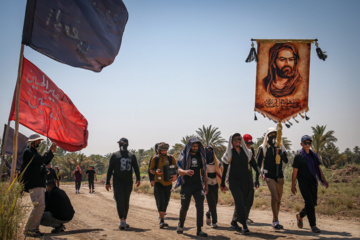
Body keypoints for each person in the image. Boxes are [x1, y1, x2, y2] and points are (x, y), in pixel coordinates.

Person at [221, 133, 263, 235]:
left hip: (245, 181)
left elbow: (254, 164)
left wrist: (260, 173)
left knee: (244, 202)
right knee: (239, 202)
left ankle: (234, 222)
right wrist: (222, 184)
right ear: (231, 141)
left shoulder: (247, 152)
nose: (237, 141)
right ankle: (244, 225)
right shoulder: (228, 154)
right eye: (235, 139)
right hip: (234, 182)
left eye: (239, 139)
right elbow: (225, 170)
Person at [21, 134, 57, 237]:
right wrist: (50, 152)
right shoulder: (28, 152)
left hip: (39, 183)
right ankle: (29, 229)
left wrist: (51, 153)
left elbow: (43, 162)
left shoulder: (34, 152)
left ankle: (34, 229)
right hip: (34, 183)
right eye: (38, 141)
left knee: (40, 206)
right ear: (32, 142)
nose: (39, 143)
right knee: (39, 206)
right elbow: (41, 161)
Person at [291, 135, 329, 233]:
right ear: (301, 144)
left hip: (313, 182)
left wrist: (324, 180)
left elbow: (318, 169)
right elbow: (295, 171)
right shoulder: (298, 157)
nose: (307, 145)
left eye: (309, 143)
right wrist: (293, 185)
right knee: (309, 202)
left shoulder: (313, 156)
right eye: (305, 143)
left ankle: (300, 215)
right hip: (303, 183)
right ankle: (313, 225)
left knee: (313, 203)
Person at [256, 127, 288, 230]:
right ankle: (275, 221)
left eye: (275, 134)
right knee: (274, 197)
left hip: (279, 176)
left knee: (278, 199)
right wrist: (259, 176)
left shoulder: (281, 147)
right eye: (271, 135)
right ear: (267, 136)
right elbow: (257, 164)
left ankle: (275, 219)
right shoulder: (263, 148)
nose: (273, 136)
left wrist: (280, 153)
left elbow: (286, 160)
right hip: (269, 176)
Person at [175, 137, 208, 237]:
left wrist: (206, 186)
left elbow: (204, 172)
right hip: (186, 185)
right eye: (193, 146)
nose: (195, 148)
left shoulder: (200, 156)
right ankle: (181, 224)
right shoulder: (184, 156)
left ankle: (199, 229)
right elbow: (178, 170)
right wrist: (186, 172)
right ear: (190, 146)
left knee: (200, 207)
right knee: (184, 207)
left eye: (197, 146)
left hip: (198, 185)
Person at [106, 137, 140, 230]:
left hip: (128, 182)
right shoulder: (115, 155)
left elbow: (136, 168)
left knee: (126, 201)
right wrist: (107, 182)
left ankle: (124, 219)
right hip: (117, 182)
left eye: (123, 144)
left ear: (127, 144)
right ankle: (122, 220)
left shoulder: (131, 155)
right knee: (119, 200)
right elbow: (110, 169)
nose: (121, 146)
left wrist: (138, 179)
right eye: (120, 144)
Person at [149, 142, 177, 228]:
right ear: (159, 150)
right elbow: (151, 169)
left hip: (168, 183)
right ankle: (162, 220)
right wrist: (155, 172)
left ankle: (162, 217)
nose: (164, 151)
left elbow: (176, 168)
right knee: (160, 200)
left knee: (166, 201)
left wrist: (175, 176)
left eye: (165, 150)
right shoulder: (155, 158)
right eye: (162, 150)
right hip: (159, 183)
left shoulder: (171, 158)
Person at [204, 146, 223, 229]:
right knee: (211, 203)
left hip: (215, 184)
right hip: (207, 185)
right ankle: (214, 222)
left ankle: (208, 213)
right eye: (207, 151)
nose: (209, 152)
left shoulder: (217, 163)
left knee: (214, 203)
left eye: (210, 151)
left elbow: (221, 171)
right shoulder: (203, 163)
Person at [243, 134, 259, 224]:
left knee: (250, 197)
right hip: (241, 176)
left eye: (249, 144)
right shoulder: (239, 150)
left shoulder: (251, 150)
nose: (248, 146)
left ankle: (246, 217)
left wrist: (258, 176)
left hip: (249, 175)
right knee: (241, 199)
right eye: (247, 144)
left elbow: (254, 164)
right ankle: (239, 218)